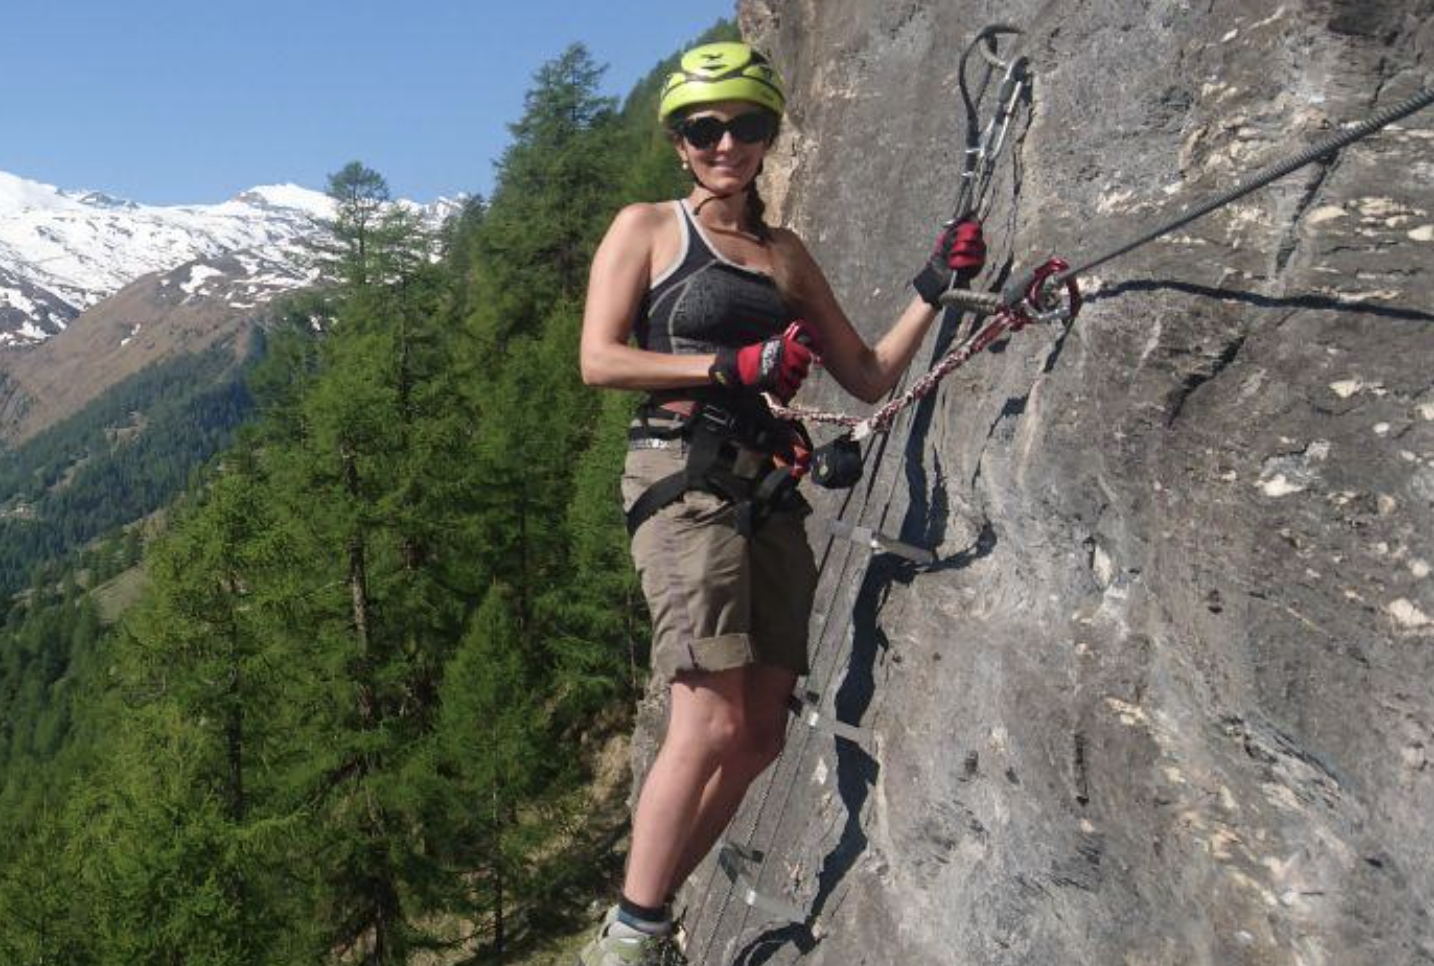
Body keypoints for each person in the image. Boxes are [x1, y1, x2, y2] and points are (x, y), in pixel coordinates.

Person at [577, 40, 985, 965]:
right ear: (680, 143)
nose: (727, 143)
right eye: (705, 128)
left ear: (768, 138)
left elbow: (869, 373)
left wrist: (934, 287)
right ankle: (632, 939)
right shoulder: (646, 228)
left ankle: (647, 912)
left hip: (764, 491)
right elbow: (599, 359)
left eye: (746, 126)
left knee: (759, 732)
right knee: (710, 715)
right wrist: (727, 364)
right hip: (681, 476)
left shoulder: (783, 255)